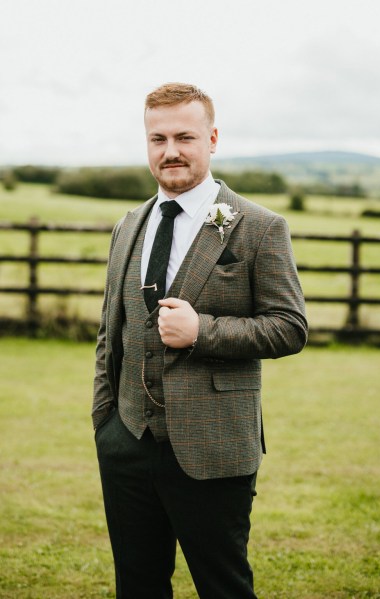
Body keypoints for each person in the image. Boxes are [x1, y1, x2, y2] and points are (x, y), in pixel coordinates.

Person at [92, 82, 307, 599]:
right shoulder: (128, 225)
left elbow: (289, 326)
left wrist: (202, 331)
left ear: (211, 139)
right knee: (137, 586)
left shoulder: (258, 227)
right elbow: (110, 333)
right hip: (127, 445)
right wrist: (106, 424)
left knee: (223, 585)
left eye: (184, 137)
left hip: (213, 448)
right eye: (157, 138)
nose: (170, 152)